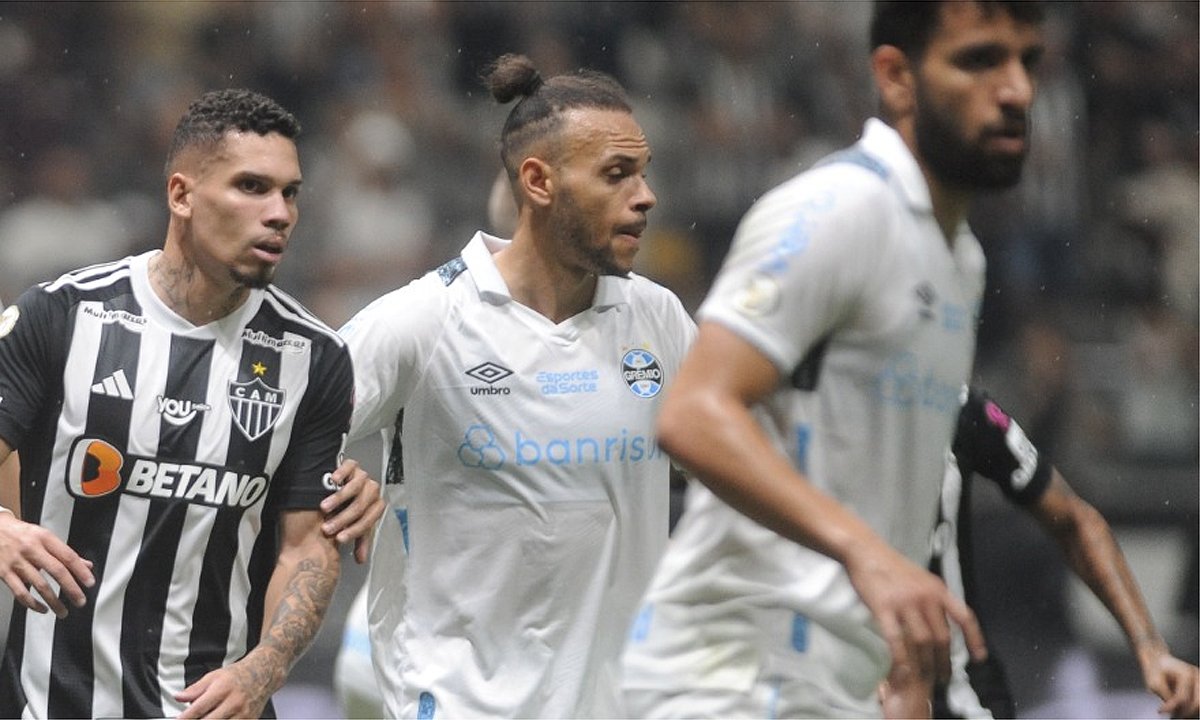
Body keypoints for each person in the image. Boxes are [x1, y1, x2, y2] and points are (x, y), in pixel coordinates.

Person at [620, 2, 1045, 717]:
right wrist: (868, 554)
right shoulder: (837, 210)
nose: (1016, 91)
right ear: (896, 77)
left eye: (1027, 62)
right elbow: (693, 414)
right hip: (726, 683)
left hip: (834, 687)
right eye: (979, 60)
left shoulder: (961, 259)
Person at [0, 88, 384, 719]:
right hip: (55, 703)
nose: (279, 212)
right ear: (181, 195)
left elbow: (306, 545)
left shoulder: (314, 356)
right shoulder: (64, 315)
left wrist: (264, 668)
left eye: (290, 193)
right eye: (252, 187)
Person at [338, 54, 696, 718]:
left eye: (643, 174)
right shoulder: (427, 318)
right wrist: (333, 477)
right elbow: (273, 429)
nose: (644, 196)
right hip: (457, 702)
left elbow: (740, 471)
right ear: (539, 181)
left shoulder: (659, 320)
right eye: (617, 175)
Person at [923, 387, 1200, 719]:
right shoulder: (844, 411)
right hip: (857, 674)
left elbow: (1074, 520)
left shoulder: (958, 405)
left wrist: (1151, 650)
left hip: (955, 688)